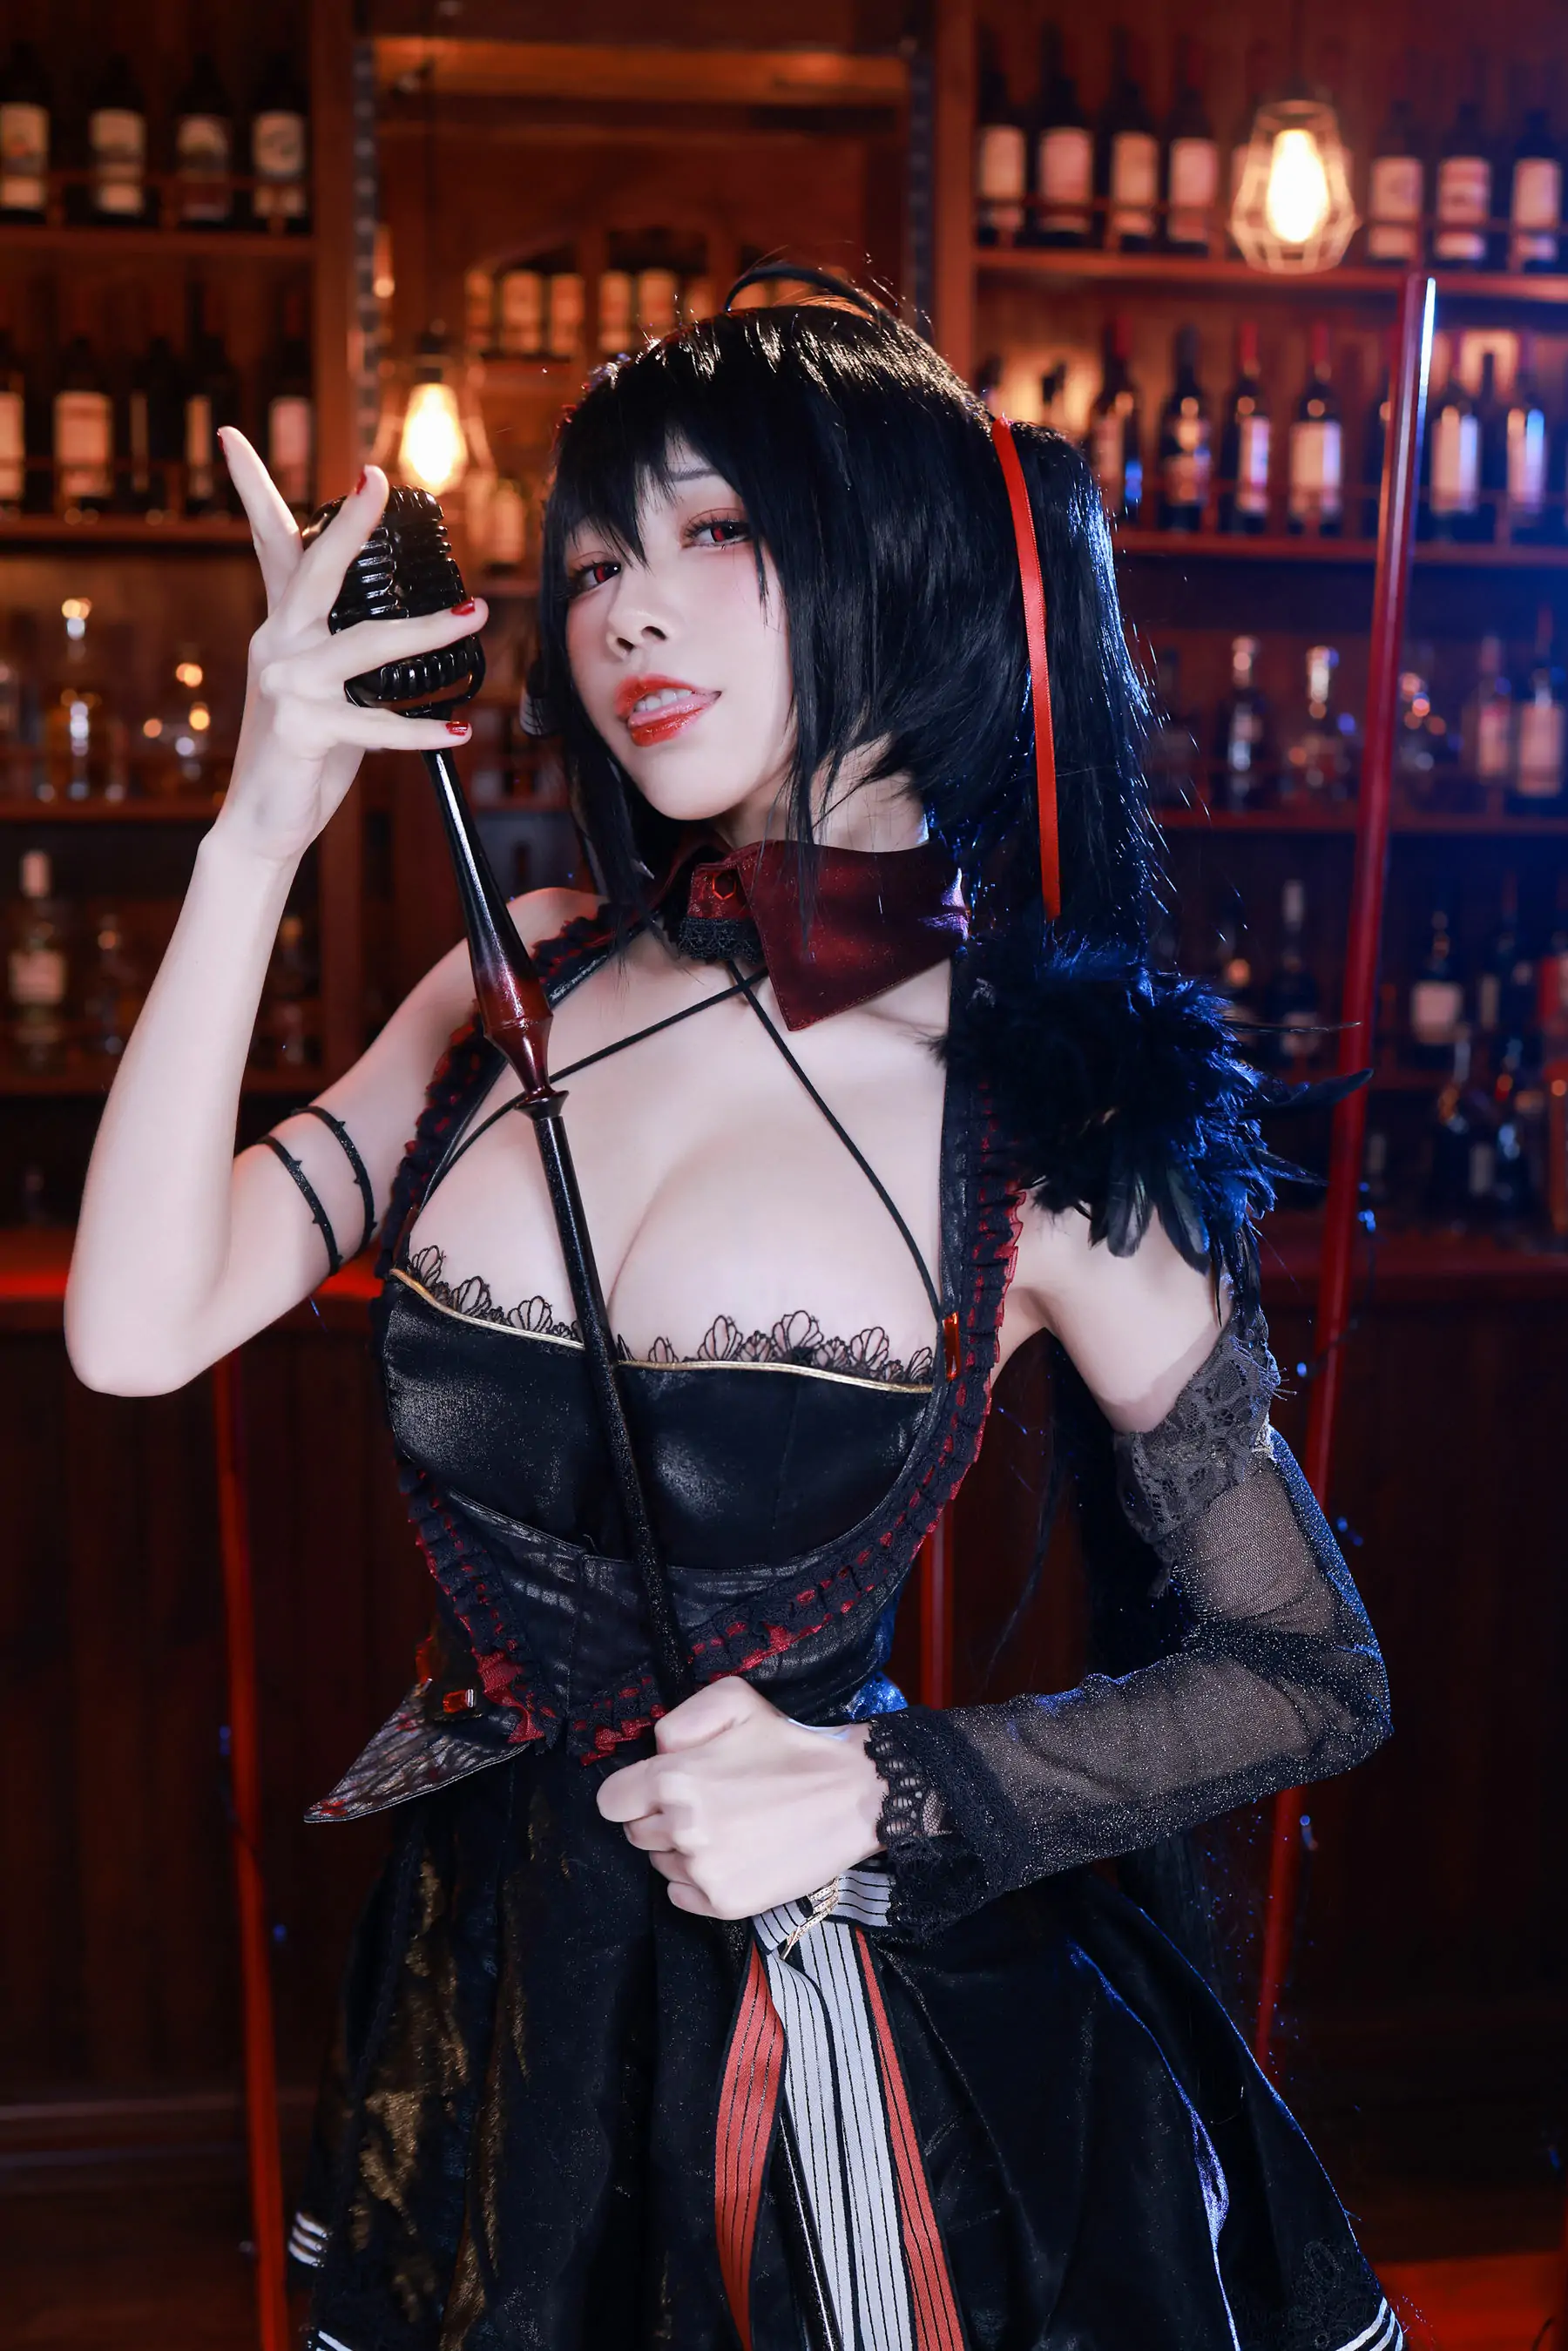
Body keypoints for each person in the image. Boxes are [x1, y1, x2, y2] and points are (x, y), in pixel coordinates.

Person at [65, 290, 1399, 2351]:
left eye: (716, 536)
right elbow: (135, 1325)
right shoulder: (517, 981)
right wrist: (263, 822)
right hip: (491, 1990)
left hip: (837, 2036)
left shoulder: (1045, 1116)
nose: (629, 611)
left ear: (903, 567)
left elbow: (1308, 1669)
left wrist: (884, 1784)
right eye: (599, 557)